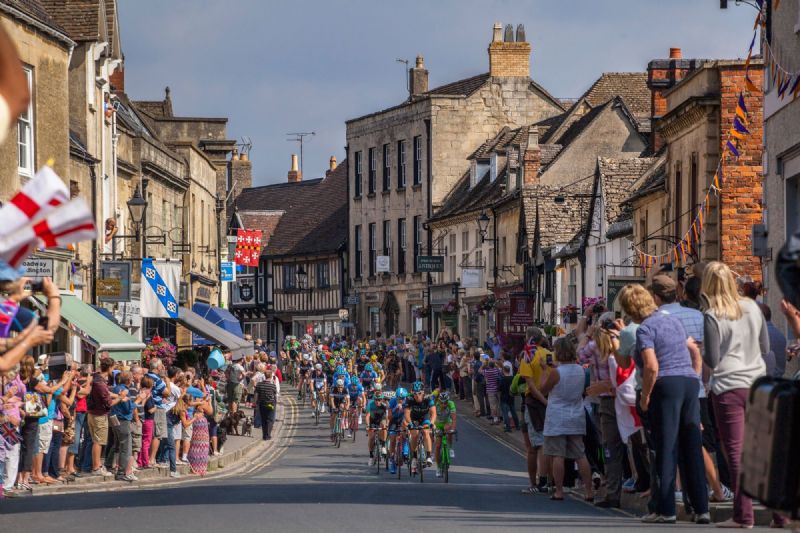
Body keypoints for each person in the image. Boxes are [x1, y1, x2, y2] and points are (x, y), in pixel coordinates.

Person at [702, 262, 785, 528]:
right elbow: (765, 347)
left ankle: (743, 515)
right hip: (757, 384)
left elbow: (713, 360)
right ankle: (780, 514)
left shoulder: (713, 314)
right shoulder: (752, 307)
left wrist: (700, 349)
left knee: (736, 452)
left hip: (727, 387)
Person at [619, 283, 708, 524]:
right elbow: (694, 351)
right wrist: (694, 376)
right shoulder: (673, 321)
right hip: (689, 384)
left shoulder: (645, 328)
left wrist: (646, 397)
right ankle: (701, 509)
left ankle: (666, 509)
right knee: (692, 447)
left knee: (665, 448)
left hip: (665, 387)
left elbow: (651, 366)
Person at [539, 336, 595, 502]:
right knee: (580, 454)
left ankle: (559, 491)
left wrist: (544, 371)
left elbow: (543, 390)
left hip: (557, 416)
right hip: (576, 415)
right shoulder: (580, 370)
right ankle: (589, 491)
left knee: (558, 455)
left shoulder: (555, 373)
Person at [518, 327, 552, 495]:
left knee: (534, 446)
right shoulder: (548, 354)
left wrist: (542, 399)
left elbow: (530, 385)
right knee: (546, 441)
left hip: (533, 402)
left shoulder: (528, 356)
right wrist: (547, 399)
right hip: (549, 400)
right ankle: (547, 481)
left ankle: (536, 482)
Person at [403, 381, 436, 474]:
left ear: (423, 392)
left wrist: (432, 423)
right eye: (415, 393)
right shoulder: (409, 399)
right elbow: (407, 413)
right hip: (413, 418)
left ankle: (429, 456)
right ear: (412, 393)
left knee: (426, 432)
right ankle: (414, 457)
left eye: (419, 393)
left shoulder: (428, 398)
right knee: (415, 435)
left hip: (424, 417)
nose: (417, 396)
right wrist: (409, 423)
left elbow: (433, 413)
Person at [433, 390, 456, 478]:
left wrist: (453, 429)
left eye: (445, 403)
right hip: (438, 425)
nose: (444, 404)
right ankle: (438, 467)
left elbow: (454, 419)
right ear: (439, 401)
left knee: (449, 430)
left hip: (447, 422)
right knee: (438, 446)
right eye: (442, 403)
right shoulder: (435, 405)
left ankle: (450, 447)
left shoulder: (451, 404)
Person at [365, 390, 389, 466]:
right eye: (376, 400)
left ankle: (383, 446)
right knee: (371, 438)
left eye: (379, 400)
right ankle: (371, 456)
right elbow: (367, 416)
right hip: (372, 421)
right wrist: (368, 425)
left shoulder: (385, 405)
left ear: (382, 399)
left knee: (384, 425)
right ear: (374, 399)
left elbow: (387, 416)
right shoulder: (370, 404)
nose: (378, 401)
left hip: (381, 420)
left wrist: (388, 424)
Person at [387, 387, 408, 474]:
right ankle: (392, 460)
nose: (401, 400)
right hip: (394, 421)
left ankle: (405, 446)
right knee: (392, 439)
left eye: (402, 398)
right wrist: (395, 408)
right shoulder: (392, 402)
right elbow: (389, 417)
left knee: (405, 430)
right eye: (399, 398)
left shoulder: (408, 401)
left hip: (403, 420)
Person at [255, 368, 279, 441]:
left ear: (264, 376)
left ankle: (264, 435)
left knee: (263, 420)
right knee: (270, 419)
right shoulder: (273, 386)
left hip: (262, 404)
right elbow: (275, 395)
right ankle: (268, 435)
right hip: (271, 404)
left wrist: (256, 403)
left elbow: (256, 394)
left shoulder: (259, 385)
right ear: (271, 376)